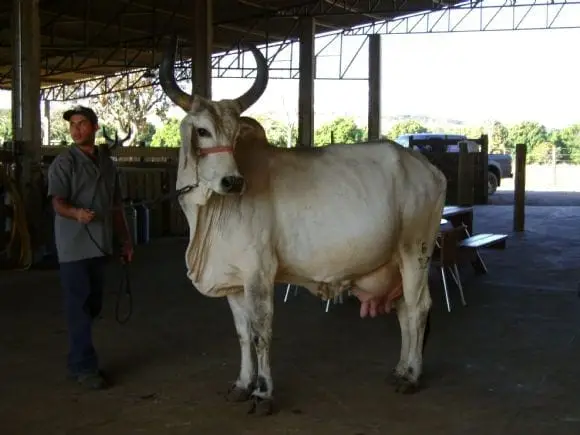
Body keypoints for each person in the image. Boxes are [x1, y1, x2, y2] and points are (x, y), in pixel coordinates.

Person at [47, 105, 134, 390]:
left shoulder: (107, 164)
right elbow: (58, 203)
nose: (76, 129)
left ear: (95, 127)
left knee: (93, 304)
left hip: (100, 244)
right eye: (73, 124)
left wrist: (126, 240)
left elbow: (116, 206)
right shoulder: (64, 163)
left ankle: (79, 359)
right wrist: (77, 214)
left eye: (82, 123)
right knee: (79, 307)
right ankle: (83, 367)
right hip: (74, 246)